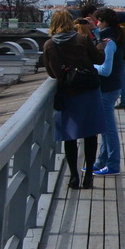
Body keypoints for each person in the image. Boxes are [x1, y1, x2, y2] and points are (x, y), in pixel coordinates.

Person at [42, 10, 107, 190]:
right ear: (70, 22)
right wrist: (100, 46)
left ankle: (73, 176)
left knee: (69, 136)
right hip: (88, 91)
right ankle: (88, 177)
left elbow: (50, 73)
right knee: (90, 133)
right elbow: (99, 59)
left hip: (67, 92)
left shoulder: (49, 45)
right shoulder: (82, 40)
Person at [92, 7, 125, 176]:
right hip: (111, 87)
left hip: (107, 88)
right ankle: (101, 161)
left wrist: (89, 66)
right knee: (105, 127)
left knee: (108, 129)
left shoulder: (109, 41)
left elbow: (106, 70)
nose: (97, 23)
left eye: (98, 20)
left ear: (104, 22)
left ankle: (113, 164)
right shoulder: (114, 36)